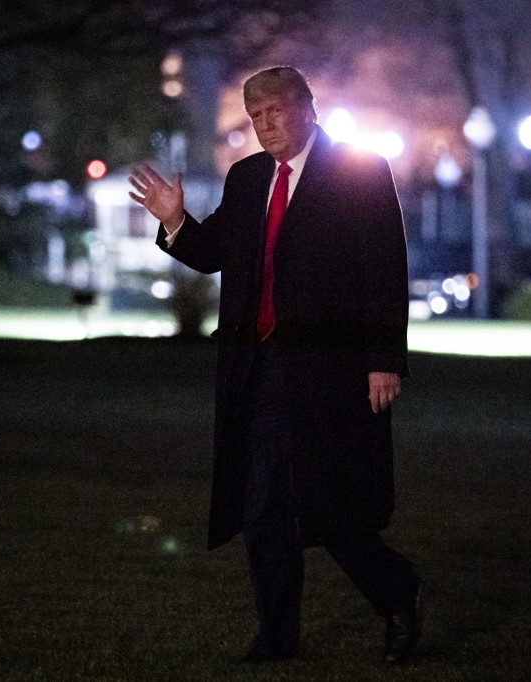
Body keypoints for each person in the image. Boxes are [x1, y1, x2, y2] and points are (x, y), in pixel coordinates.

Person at [129, 66, 422, 664]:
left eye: (276, 111)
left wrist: (383, 362)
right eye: (255, 115)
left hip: (332, 375)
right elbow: (214, 254)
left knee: (332, 508)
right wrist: (174, 220)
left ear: (308, 108)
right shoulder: (248, 177)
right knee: (261, 506)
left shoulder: (359, 173)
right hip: (257, 371)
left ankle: (398, 594)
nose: (265, 125)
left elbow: (385, 271)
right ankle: (277, 636)